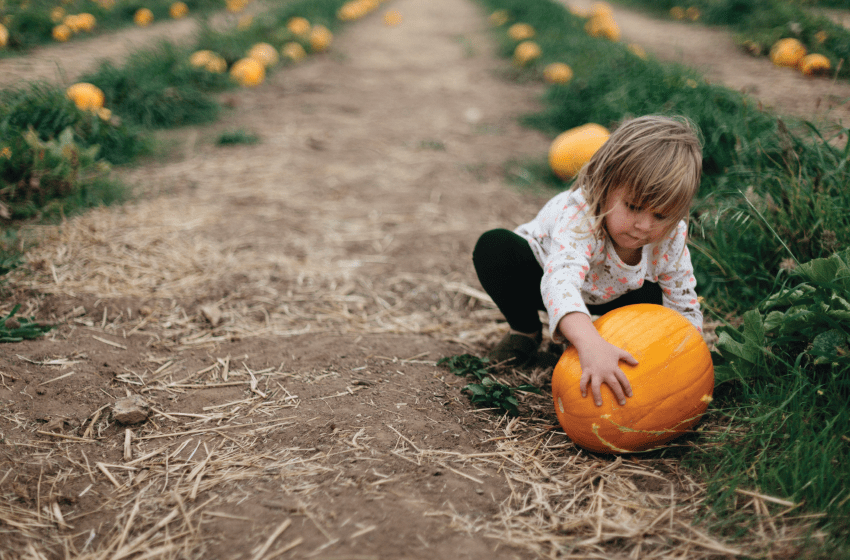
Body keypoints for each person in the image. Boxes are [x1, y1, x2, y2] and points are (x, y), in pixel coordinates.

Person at [473, 114, 703, 407]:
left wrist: (690, 363)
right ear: (604, 185)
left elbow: (684, 305)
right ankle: (525, 331)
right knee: (495, 248)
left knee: (657, 302)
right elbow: (560, 282)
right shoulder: (581, 215)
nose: (644, 226)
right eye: (633, 207)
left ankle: (615, 344)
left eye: (661, 215)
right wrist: (590, 344)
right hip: (541, 278)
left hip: (611, 292)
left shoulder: (671, 236)